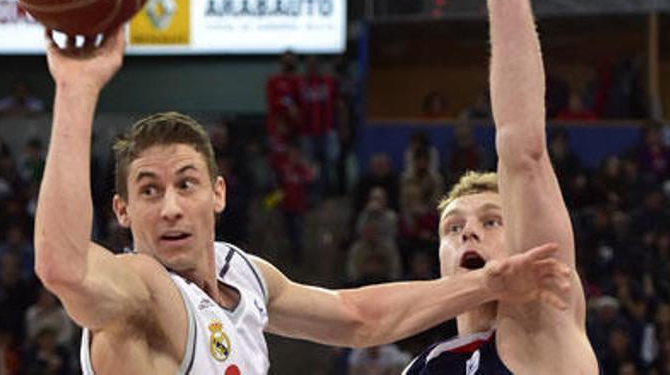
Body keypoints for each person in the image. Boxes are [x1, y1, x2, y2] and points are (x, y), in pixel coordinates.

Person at [34, 27, 571, 375]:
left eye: (186, 184)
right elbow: (64, 267)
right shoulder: (141, 291)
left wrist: (488, 283)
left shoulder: (242, 275)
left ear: (218, 194)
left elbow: (356, 316)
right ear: (122, 211)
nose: (170, 207)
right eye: (148, 191)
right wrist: (76, 89)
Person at [402, 0, 599, 372]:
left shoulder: (542, 326)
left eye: (492, 221)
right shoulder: (422, 366)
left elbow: (522, 150)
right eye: (454, 228)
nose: (469, 234)